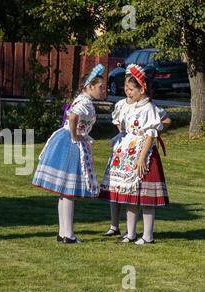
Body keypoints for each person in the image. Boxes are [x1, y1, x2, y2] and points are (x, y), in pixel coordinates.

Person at [32, 64, 106, 244]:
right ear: (90, 87)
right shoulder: (85, 103)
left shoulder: (83, 100)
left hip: (67, 141)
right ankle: (68, 234)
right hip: (71, 144)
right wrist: (75, 136)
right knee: (69, 191)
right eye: (100, 87)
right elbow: (72, 117)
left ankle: (64, 233)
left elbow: (72, 116)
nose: (102, 90)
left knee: (65, 192)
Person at [99, 64, 169, 244]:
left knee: (145, 198)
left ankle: (148, 235)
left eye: (131, 89)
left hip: (143, 155)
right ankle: (130, 233)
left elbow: (150, 134)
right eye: (126, 89)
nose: (128, 92)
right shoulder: (128, 105)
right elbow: (121, 123)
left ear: (141, 88)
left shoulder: (149, 108)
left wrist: (142, 157)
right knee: (130, 196)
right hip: (127, 151)